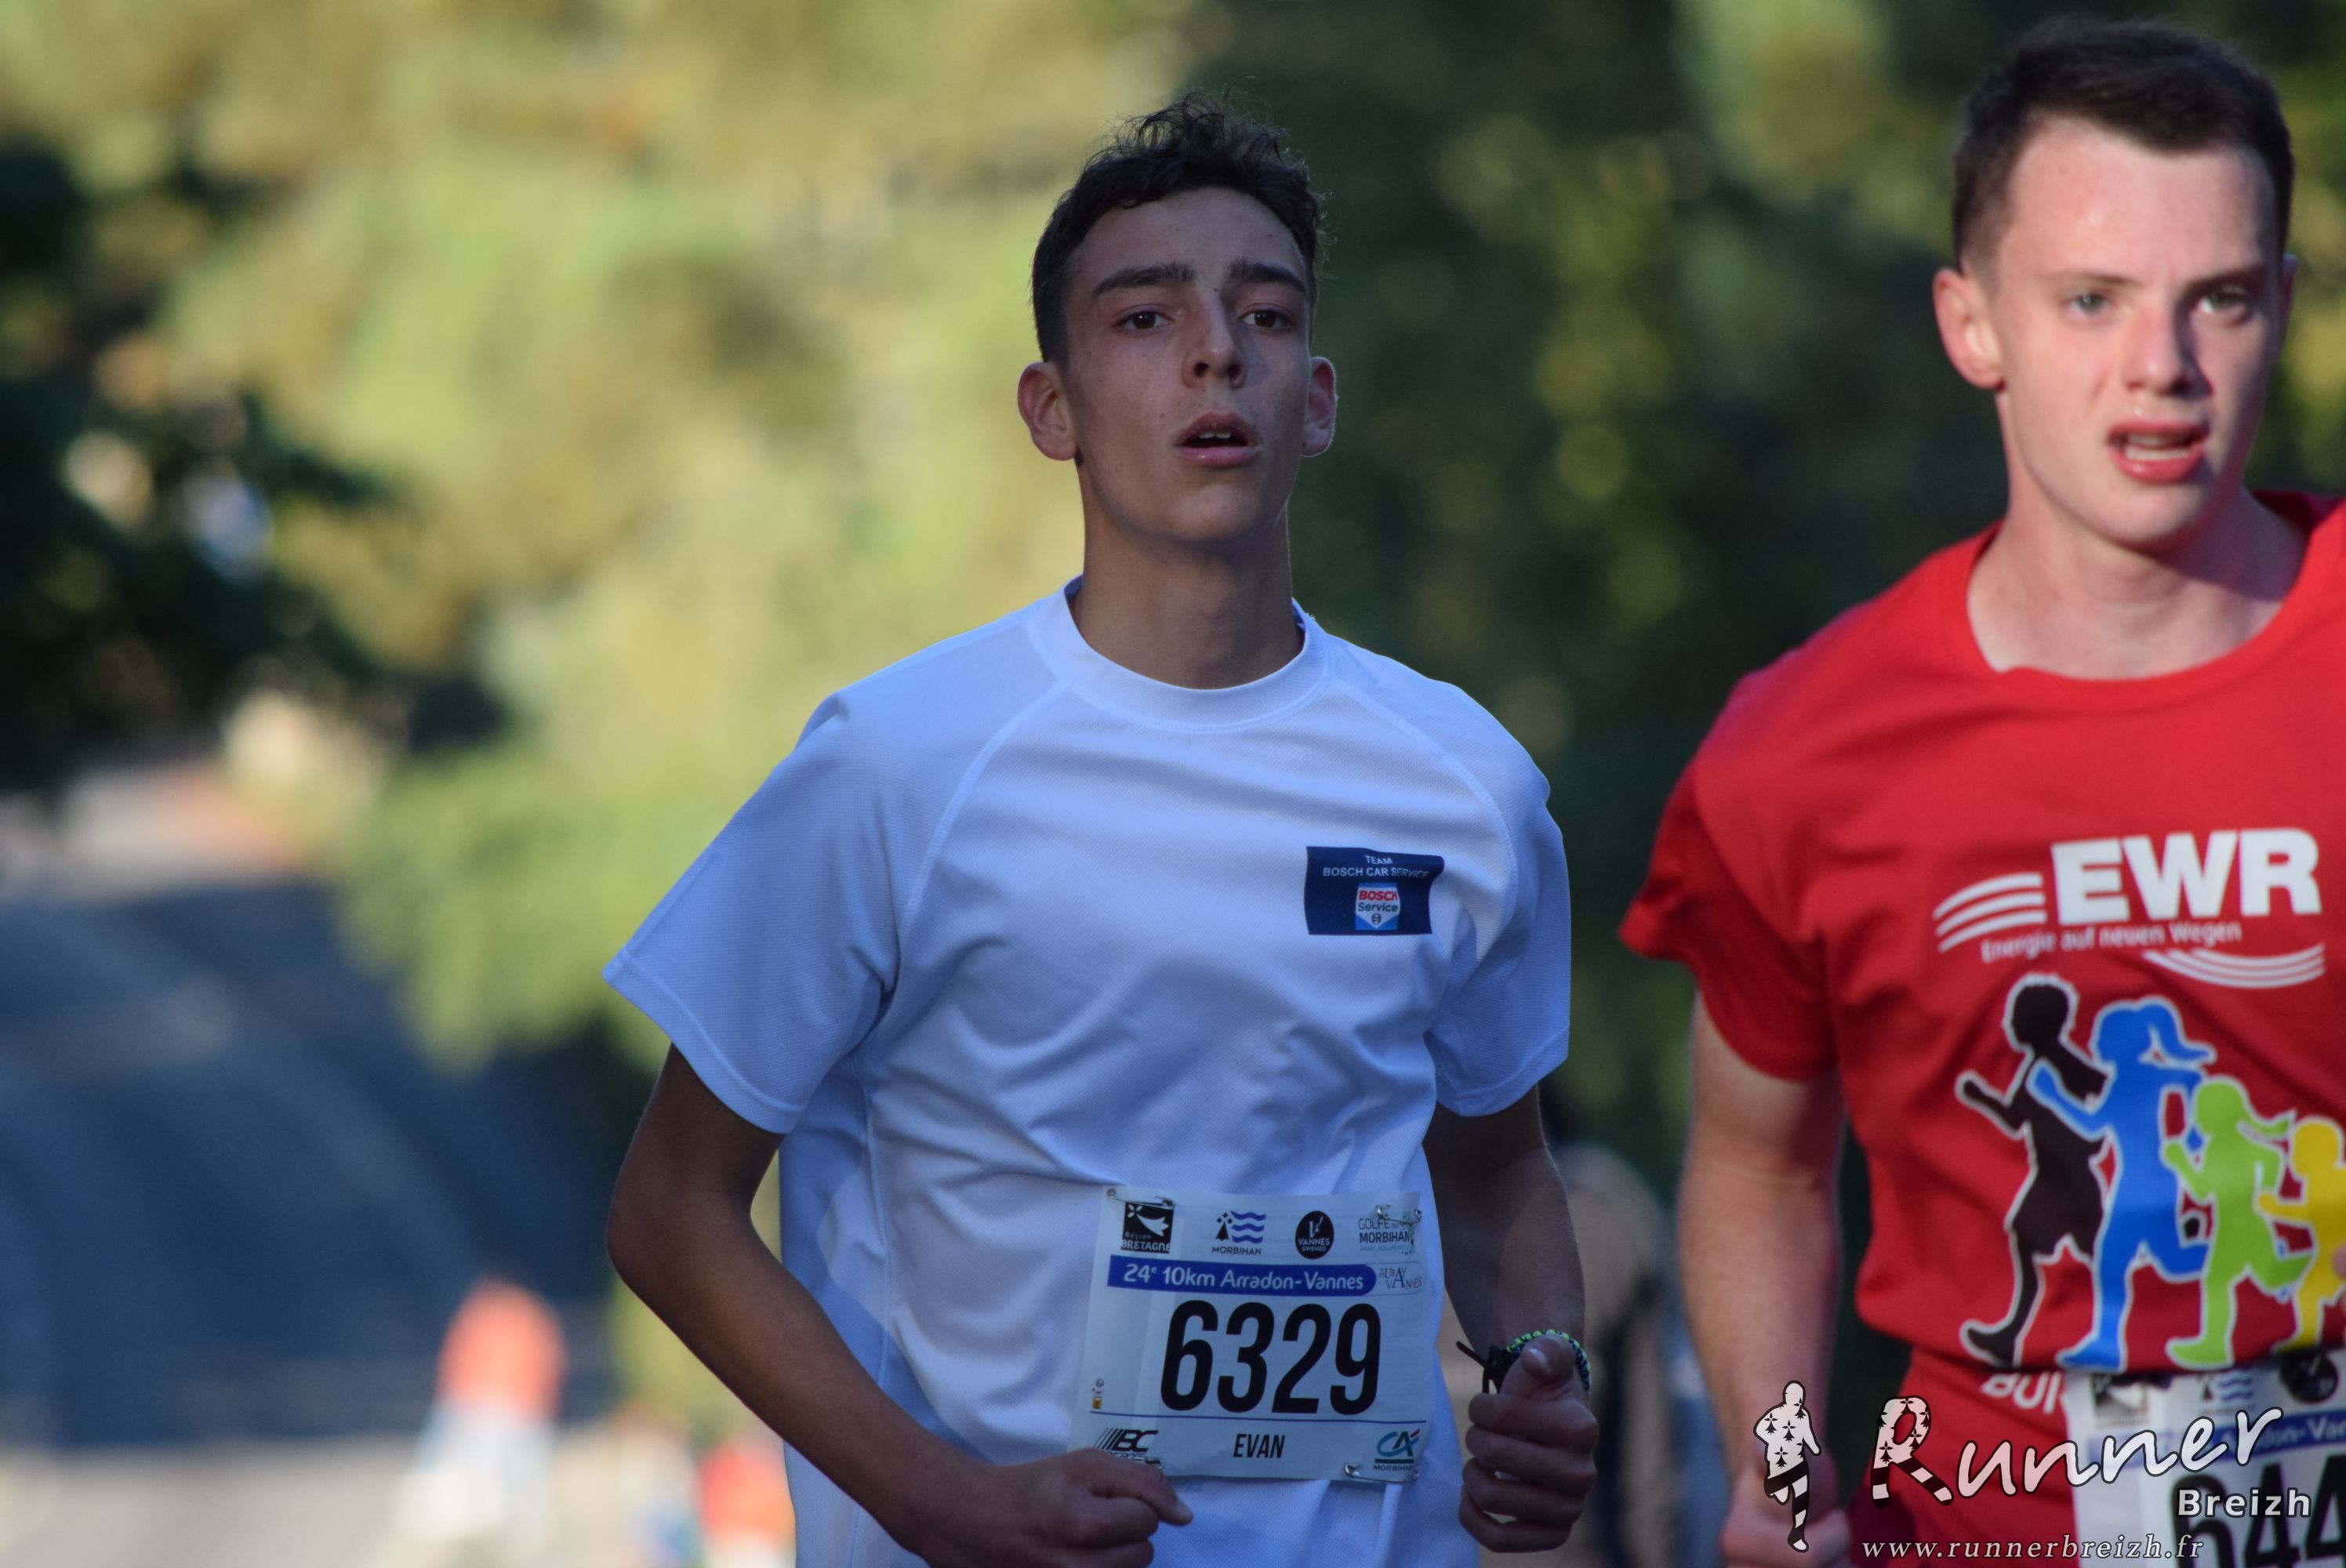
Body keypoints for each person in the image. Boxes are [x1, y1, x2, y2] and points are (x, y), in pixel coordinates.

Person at [604, 95, 1598, 1566]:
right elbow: (670, 1211)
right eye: (1145, 317)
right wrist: (946, 1502)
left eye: (1265, 314)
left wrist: (1542, 1366)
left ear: (1317, 399)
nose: (1217, 351)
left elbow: (1499, 1169)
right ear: (1049, 408)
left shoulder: (1464, 784)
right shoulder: (895, 766)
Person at [1622, 20, 2346, 1555]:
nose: (2160, 368)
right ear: (1971, 323)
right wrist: (1775, 1472)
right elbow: (1757, 1167)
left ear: (2281, 305)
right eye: (2090, 300)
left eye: (2216, 298)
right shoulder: (1803, 751)